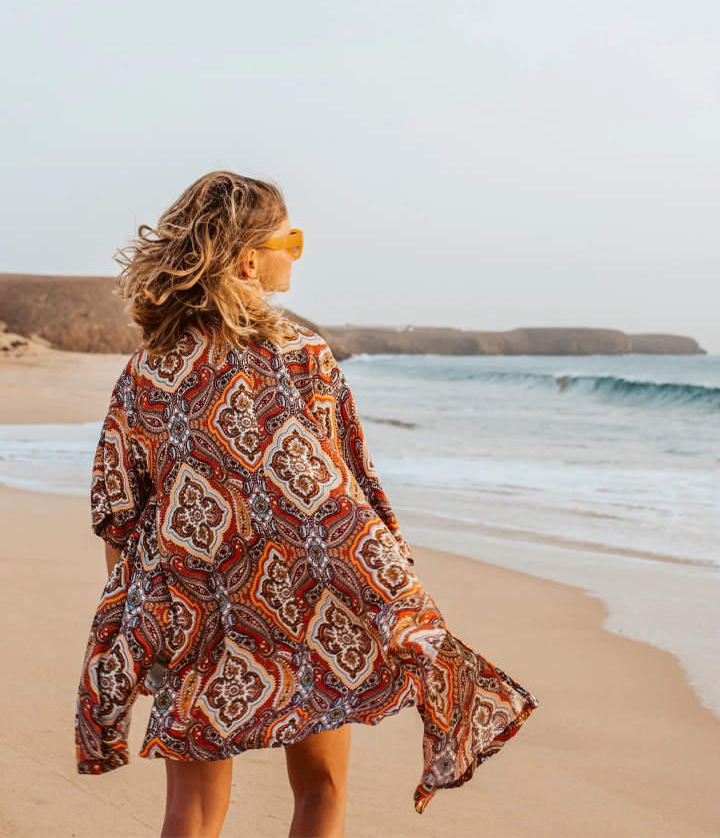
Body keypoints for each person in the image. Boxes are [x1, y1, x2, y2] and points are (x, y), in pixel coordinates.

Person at [76, 172, 537, 838]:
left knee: (194, 810)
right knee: (321, 791)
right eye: (289, 236)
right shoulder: (303, 357)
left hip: (192, 606)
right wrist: (391, 593)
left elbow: (117, 508)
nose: (296, 248)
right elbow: (350, 489)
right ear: (247, 259)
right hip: (308, 607)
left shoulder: (149, 369)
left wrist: (135, 619)